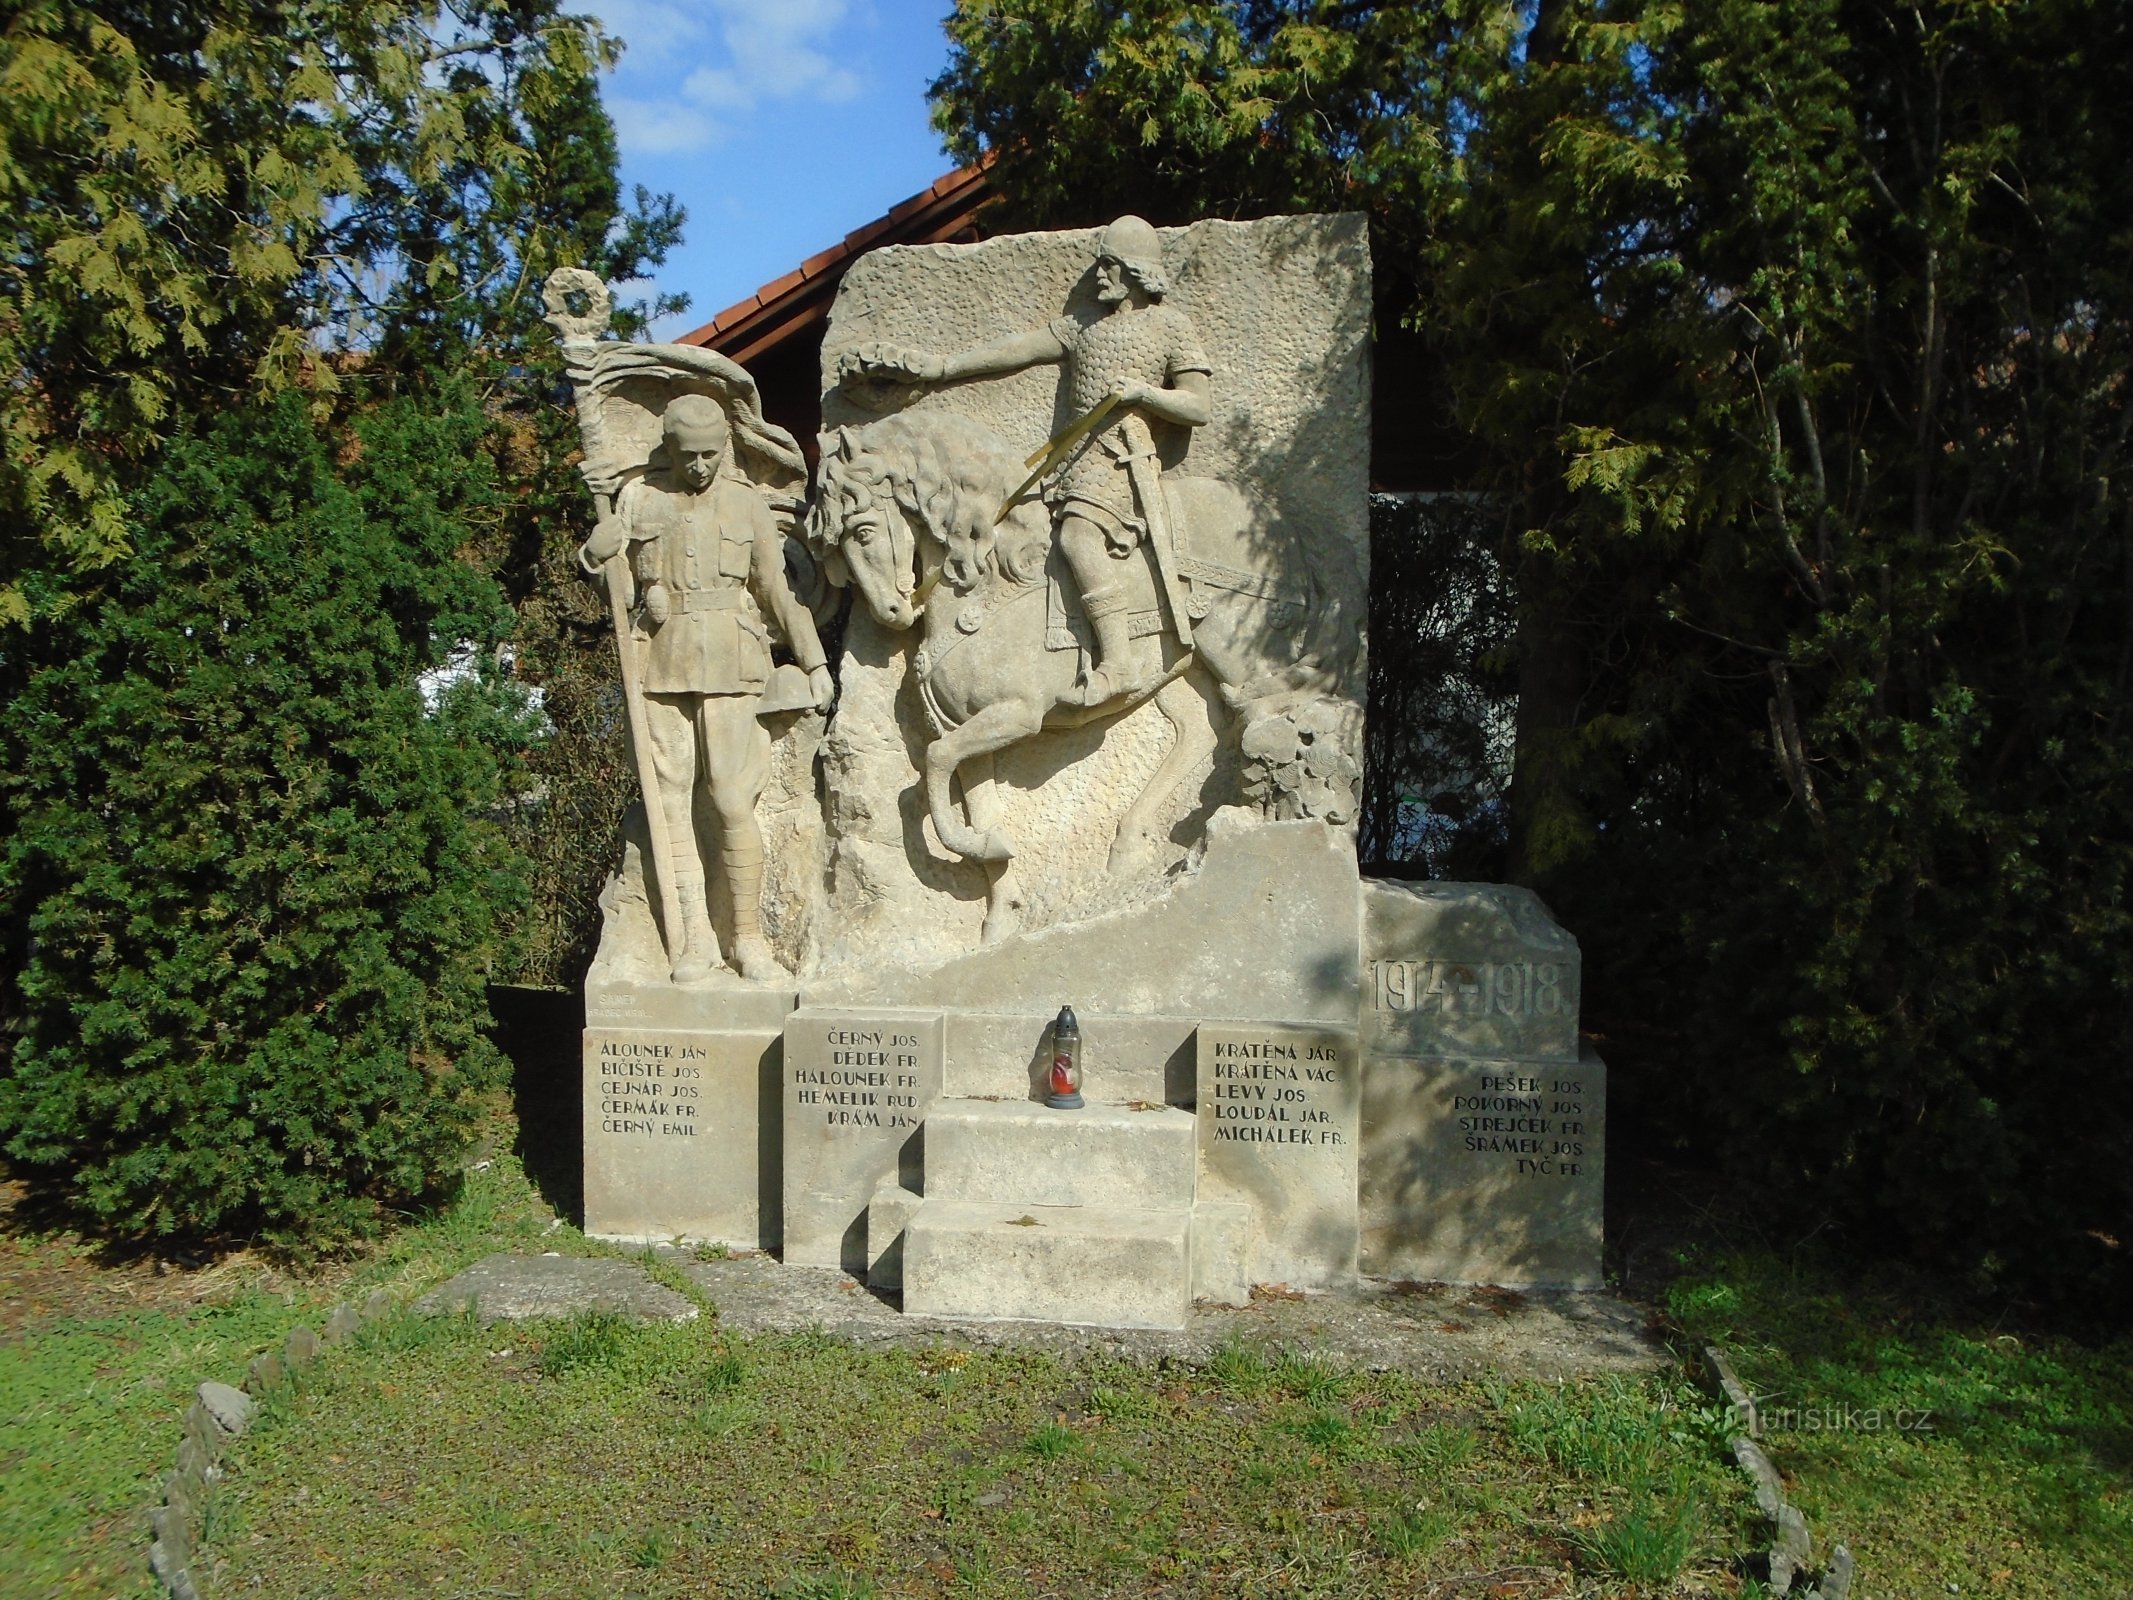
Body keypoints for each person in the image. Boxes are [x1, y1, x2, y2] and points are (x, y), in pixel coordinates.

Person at [843, 215, 1211, 703]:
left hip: (1125, 461)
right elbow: (1017, 351)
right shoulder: (1083, 328)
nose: (1099, 276)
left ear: (1135, 270)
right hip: (1073, 464)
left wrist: (1144, 394)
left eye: (1108, 265)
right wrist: (942, 368)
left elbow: (1198, 405)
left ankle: (1119, 664)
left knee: (1079, 538)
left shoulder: (1170, 327)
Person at [578, 393, 832, 981]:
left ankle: (747, 938)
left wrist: (813, 661)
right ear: (669, 448)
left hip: (732, 661)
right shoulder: (638, 500)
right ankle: (693, 939)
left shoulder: (746, 505)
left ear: (726, 448)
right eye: (688, 455)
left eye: (710, 454)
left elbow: (775, 588)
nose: (699, 466)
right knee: (670, 804)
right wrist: (596, 559)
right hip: (659, 664)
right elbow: (615, 598)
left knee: (728, 798)